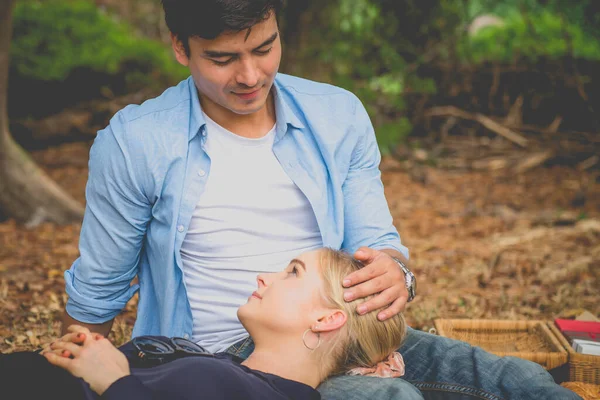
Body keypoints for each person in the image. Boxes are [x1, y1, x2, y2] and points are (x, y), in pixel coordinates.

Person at [60, 1, 581, 399]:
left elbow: (376, 242)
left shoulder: (337, 116)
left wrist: (395, 272)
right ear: (180, 46)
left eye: (264, 48)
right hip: (224, 362)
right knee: (389, 396)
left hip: (340, 328)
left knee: (515, 380)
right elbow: (98, 289)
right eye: (222, 58)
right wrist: (91, 373)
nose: (249, 76)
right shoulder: (136, 142)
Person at [1, 249, 412, 399]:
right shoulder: (231, 369)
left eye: (292, 271)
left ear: (326, 319)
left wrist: (113, 380)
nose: (264, 277)